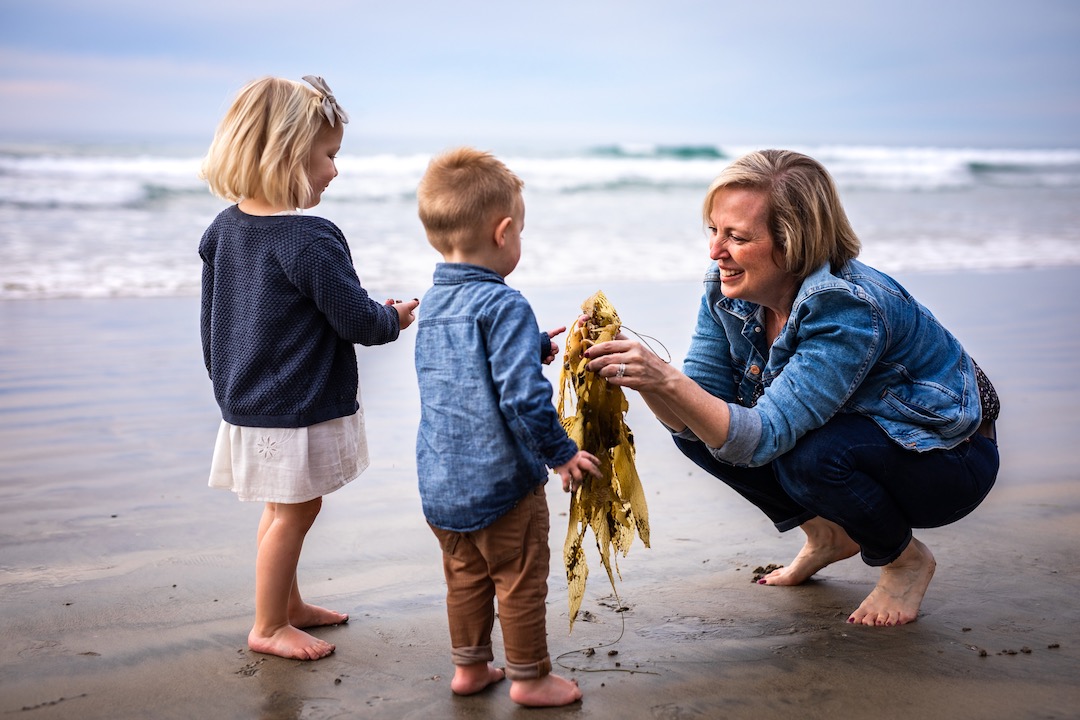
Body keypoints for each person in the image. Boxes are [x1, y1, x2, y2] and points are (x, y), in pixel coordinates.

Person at [584, 149, 999, 627]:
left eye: (737, 237)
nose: (716, 251)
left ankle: (904, 561)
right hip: (865, 438)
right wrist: (639, 372)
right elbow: (695, 410)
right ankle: (827, 535)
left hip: (946, 460)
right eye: (714, 231)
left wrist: (661, 376)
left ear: (792, 243)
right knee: (698, 429)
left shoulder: (846, 309)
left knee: (810, 458)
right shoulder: (726, 288)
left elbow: (760, 436)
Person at [198, 75, 419, 660]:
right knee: (296, 509)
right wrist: (395, 315)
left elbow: (211, 316)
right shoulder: (309, 238)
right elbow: (356, 321)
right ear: (290, 154)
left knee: (283, 506)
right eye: (329, 155)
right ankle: (268, 626)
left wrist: (225, 384)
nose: (335, 170)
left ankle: (287, 605)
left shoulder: (224, 228)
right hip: (294, 403)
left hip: (247, 395)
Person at [413, 147, 601, 706]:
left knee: (464, 579)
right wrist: (561, 452)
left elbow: (466, 371)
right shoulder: (504, 305)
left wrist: (539, 345)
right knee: (518, 581)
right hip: (502, 484)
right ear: (502, 233)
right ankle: (529, 677)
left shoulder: (434, 306)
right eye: (520, 231)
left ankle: (469, 670)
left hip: (441, 484)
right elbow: (521, 396)